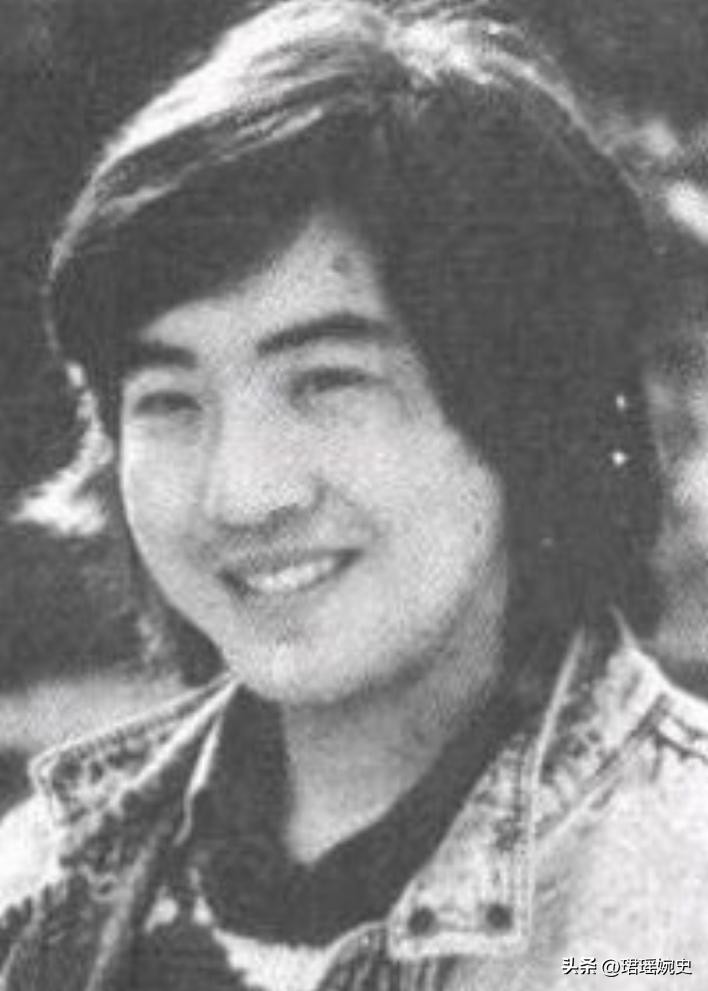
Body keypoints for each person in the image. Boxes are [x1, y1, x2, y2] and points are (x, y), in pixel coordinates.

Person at [1, 1, 707, 988]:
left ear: (533, 409)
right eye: (168, 400)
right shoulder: (37, 887)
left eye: (327, 382)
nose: (240, 494)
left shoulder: (670, 923)